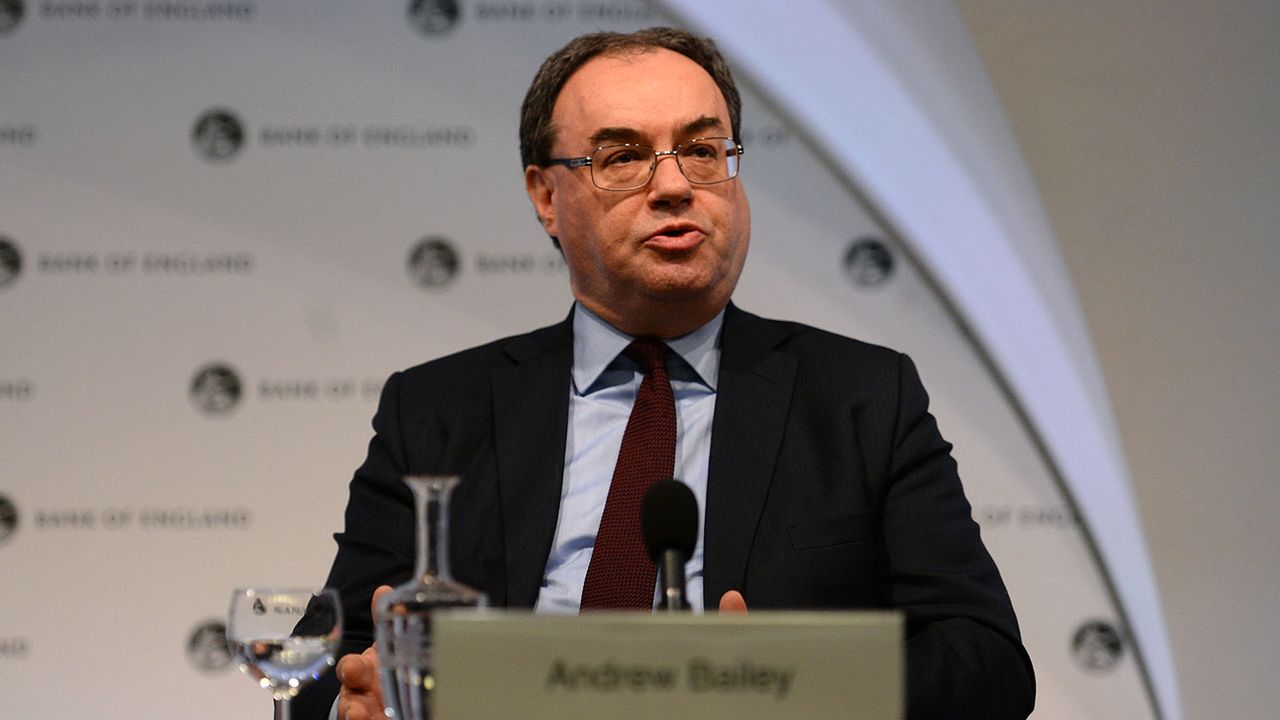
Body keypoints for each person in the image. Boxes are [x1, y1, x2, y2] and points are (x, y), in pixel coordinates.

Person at [294, 27, 1035, 720]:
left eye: (704, 151)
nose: (676, 186)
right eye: (622, 157)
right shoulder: (435, 409)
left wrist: (781, 685)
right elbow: (322, 659)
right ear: (547, 197)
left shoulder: (860, 398)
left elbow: (988, 661)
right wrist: (352, 700)